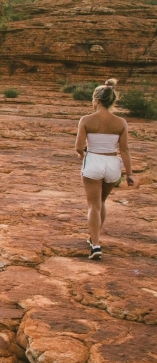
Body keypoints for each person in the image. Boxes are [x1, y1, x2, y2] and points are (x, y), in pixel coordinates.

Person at [75, 78, 134, 260]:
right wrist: (130, 174)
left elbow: (78, 146)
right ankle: (95, 238)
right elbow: (124, 150)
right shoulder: (120, 122)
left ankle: (96, 244)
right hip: (112, 163)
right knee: (102, 202)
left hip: (93, 160)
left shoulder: (86, 120)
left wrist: (83, 156)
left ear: (97, 100)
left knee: (93, 205)